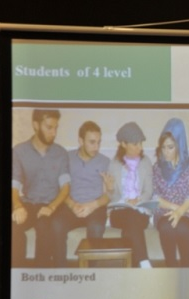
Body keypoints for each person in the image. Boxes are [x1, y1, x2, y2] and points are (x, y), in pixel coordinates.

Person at [11, 109, 70, 267]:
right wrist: (17, 206)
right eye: (49, 127)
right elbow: (14, 184)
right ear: (36, 125)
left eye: (56, 128)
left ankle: (40, 272)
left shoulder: (61, 153)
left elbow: (65, 187)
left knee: (44, 227)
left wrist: (51, 207)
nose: (54, 133)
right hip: (29, 203)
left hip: (52, 204)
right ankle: (17, 273)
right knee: (14, 228)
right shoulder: (19, 151)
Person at [51, 120, 110, 267]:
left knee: (96, 227)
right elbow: (59, 188)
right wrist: (72, 205)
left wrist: (92, 205)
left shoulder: (105, 162)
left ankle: (91, 274)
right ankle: (60, 272)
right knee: (56, 224)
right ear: (81, 140)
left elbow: (109, 195)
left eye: (99, 142)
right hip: (71, 206)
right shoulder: (67, 158)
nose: (96, 147)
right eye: (92, 142)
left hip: (95, 207)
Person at [106, 121, 154, 268]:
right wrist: (110, 189)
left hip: (140, 211)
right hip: (119, 212)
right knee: (130, 217)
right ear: (123, 144)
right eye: (135, 144)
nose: (140, 147)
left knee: (131, 225)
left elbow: (149, 191)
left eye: (141, 143)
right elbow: (112, 198)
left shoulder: (146, 162)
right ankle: (144, 262)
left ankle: (136, 265)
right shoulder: (114, 164)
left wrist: (138, 200)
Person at [152, 118, 189, 267]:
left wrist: (180, 212)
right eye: (163, 147)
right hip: (164, 211)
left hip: (186, 211)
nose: (166, 152)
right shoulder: (157, 167)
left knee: (184, 228)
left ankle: (186, 268)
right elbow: (155, 197)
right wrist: (175, 209)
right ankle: (171, 269)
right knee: (166, 227)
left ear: (180, 144)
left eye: (170, 147)